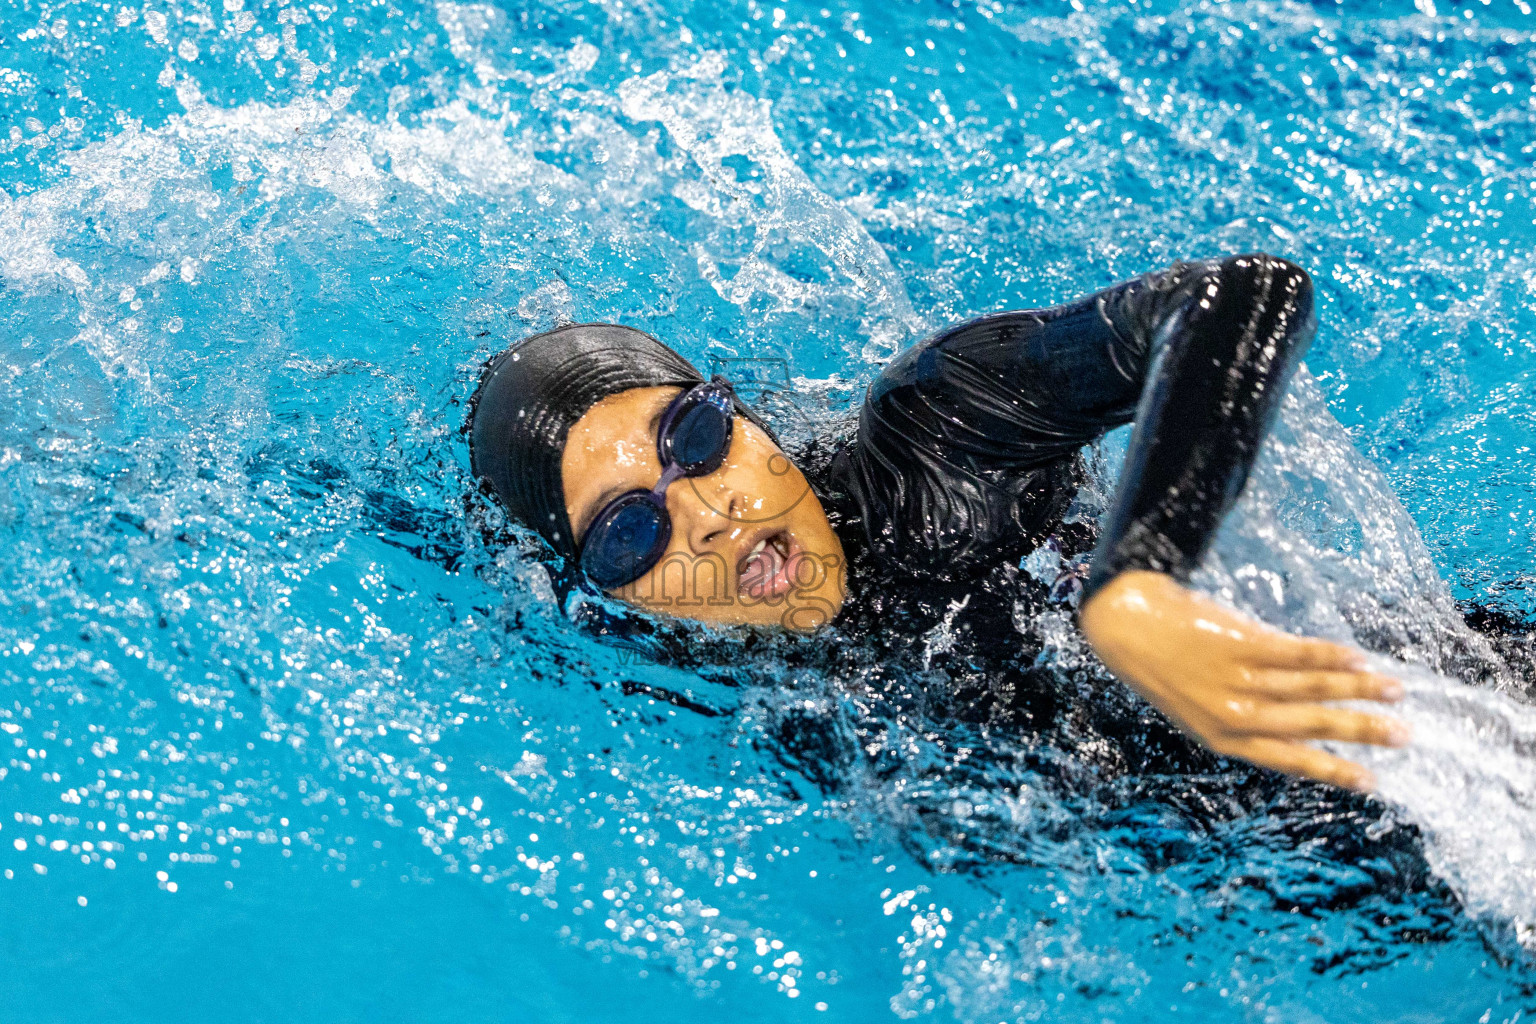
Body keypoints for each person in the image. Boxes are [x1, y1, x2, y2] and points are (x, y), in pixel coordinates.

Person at [467, 253, 1410, 793]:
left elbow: (1240, 296)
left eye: (698, 436)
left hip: (1395, 722)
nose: (709, 520)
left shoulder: (934, 442)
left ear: (747, 416)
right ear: (606, 592)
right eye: (630, 533)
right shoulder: (692, 672)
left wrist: (1142, 585)